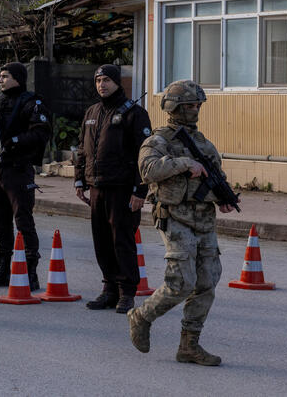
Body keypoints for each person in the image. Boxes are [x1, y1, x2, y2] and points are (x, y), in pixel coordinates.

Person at [127, 80, 235, 367]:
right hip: (174, 217)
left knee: (207, 282)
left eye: (198, 105)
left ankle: (189, 344)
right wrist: (184, 164)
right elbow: (148, 169)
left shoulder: (204, 144)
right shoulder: (158, 140)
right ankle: (141, 316)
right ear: (174, 106)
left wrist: (222, 196)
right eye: (189, 105)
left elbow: (214, 177)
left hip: (203, 219)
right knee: (181, 283)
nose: (195, 110)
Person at [74, 65, 152, 314]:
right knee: (102, 241)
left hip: (122, 189)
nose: (101, 85)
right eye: (98, 80)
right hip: (97, 187)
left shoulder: (134, 114)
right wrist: (79, 180)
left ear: (118, 82)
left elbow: (145, 156)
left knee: (123, 241)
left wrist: (140, 191)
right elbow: (82, 149)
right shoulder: (91, 112)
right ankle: (109, 290)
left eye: (106, 80)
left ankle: (127, 293)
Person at [0, 62, 51, 291]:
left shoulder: (32, 102)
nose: (1, 80)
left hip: (18, 170)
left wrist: (15, 142)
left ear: (18, 78)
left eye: (5, 76)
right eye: (0, 76)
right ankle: (3, 271)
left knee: (24, 222)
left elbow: (41, 132)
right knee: (0, 223)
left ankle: (31, 273)